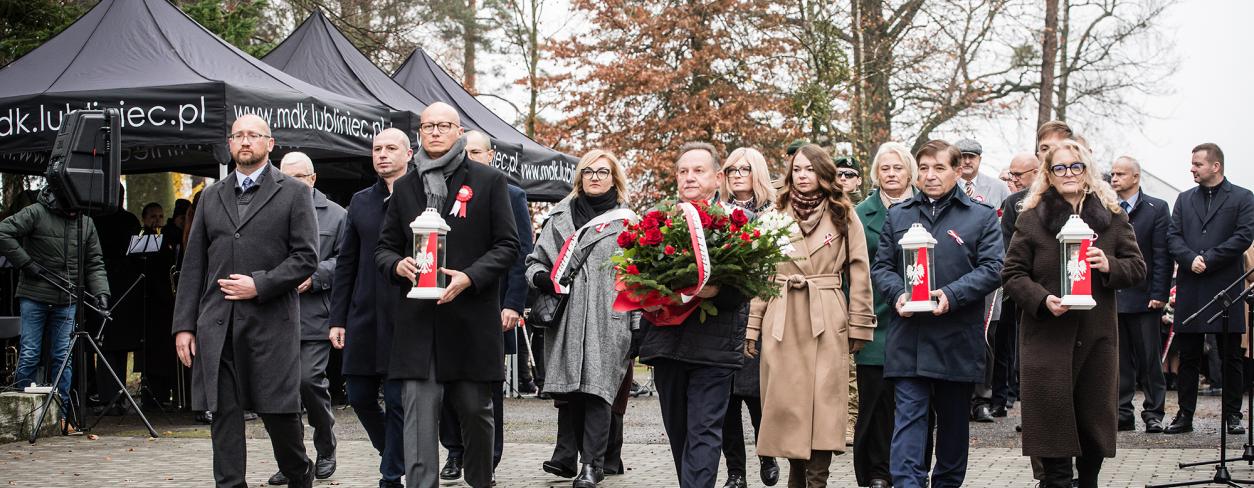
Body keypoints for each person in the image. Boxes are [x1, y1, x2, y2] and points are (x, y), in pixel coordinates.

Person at [375, 102, 519, 488]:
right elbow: (384, 247)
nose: (435, 132)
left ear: (458, 131)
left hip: (469, 319)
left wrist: (469, 278)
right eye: (427, 126)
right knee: (418, 419)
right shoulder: (406, 185)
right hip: (418, 326)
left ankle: (479, 480)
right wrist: (397, 265)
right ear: (419, 133)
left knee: (475, 411)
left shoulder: (488, 181)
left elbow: (507, 245)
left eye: (443, 125)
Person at [172, 114, 318, 487]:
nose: (245, 141)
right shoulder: (209, 197)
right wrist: (184, 326)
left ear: (270, 143)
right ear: (229, 144)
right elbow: (193, 266)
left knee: (280, 418)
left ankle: (300, 474)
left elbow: (306, 258)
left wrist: (260, 285)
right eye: (238, 135)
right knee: (224, 418)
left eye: (254, 135)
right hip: (217, 326)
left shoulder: (294, 192)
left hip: (271, 324)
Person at [1003, 139, 1146, 488]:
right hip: (1046, 339)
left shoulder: (1112, 217)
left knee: (1092, 427)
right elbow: (1012, 274)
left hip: (1096, 338)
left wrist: (1108, 264)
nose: (1068, 174)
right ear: (1048, 175)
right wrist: (1043, 300)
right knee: (1051, 430)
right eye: (1060, 168)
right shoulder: (1031, 218)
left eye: (1076, 166)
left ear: (1087, 171)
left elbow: (1137, 268)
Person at [869, 140, 1003, 488]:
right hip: (909, 338)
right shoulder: (899, 214)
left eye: (939, 168)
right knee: (909, 421)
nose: (930, 176)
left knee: (954, 428)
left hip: (956, 337)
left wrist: (951, 294)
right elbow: (882, 267)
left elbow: (993, 268)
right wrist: (898, 294)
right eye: (924, 168)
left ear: (958, 171)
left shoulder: (981, 216)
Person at [745, 144, 875, 488]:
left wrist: (860, 323)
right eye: (797, 169)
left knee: (825, 404)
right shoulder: (774, 213)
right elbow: (761, 273)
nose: (803, 176)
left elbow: (860, 271)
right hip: (782, 316)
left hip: (826, 315)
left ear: (823, 174)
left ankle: (818, 479)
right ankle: (796, 476)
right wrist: (753, 325)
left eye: (810, 169)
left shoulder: (844, 213)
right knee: (787, 405)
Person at [637, 141, 749, 488]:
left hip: (714, 347)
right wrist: (648, 297)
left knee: (703, 432)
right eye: (683, 171)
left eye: (698, 171)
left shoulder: (736, 222)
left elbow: (749, 282)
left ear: (718, 178)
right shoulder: (659, 223)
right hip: (667, 344)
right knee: (680, 434)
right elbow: (636, 275)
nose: (689, 177)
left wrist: (717, 291)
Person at [528, 149, 638, 488]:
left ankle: (593, 465)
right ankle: (570, 457)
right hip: (566, 320)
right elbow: (532, 264)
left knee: (598, 392)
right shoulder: (558, 217)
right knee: (571, 392)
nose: (594, 177)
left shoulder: (629, 223)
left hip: (610, 320)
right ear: (579, 177)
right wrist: (544, 279)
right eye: (588, 171)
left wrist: (637, 327)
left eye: (602, 172)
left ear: (614, 178)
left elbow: (637, 279)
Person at [439, 130, 533, 482]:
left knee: (485, 391)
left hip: (490, 306)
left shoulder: (511, 194)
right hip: (445, 304)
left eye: (477, 151)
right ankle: (454, 451)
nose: (470, 156)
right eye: (466, 151)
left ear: (491, 155)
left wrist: (513, 304)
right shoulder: (439, 189)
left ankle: (487, 460)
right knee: (449, 387)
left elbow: (521, 253)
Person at [329, 128, 412, 488]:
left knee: (396, 400)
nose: (382, 155)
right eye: (377, 149)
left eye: (391, 148)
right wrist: (338, 318)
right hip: (362, 314)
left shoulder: (422, 197)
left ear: (409, 154)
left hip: (405, 313)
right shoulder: (360, 201)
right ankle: (393, 452)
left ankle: (390, 476)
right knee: (360, 396)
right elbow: (345, 262)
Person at [259, 151, 345, 485]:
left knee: (309, 382)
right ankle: (292, 461)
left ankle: (326, 445)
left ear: (312, 178)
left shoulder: (337, 216)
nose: (289, 183)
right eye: (284, 176)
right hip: (274, 315)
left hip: (314, 316)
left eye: (297, 177)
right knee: (279, 395)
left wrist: (317, 274)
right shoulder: (268, 210)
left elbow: (347, 262)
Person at [1164, 142, 1254, 435]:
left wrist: (1210, 259)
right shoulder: (1184, 198)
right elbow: (1173, 236)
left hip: (1224, 283)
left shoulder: (1242, 197)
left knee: (1230, 354)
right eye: (1192, 164)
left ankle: (1232, 415)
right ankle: (1184, 415)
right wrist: (1190, 259)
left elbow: (1243, 236)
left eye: (1197, 164)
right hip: (1192, 284)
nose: (1192, 169)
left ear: (1215, 166)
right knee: (1189, 354)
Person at [0, 184, 110, 422]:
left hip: (67, 299)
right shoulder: (36, 212)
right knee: (30, 354)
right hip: (34, 295)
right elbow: (2, 232)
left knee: (63, 358)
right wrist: (26, 263)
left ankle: (59, 418)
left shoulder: (86, 223)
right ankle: (20, 417)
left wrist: (101, 293)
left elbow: (94, 262)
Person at [853, 142, 916, 488]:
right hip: (876, 317)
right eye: (885, 169)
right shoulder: (862, 214)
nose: (891, 174)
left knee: (910, 402)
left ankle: (908, 468)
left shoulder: (927, 209)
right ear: (876, 174)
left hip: (918, 317)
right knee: (874, 401)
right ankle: (875, 472)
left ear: (910, 172)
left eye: (897, 168)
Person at [717, 147, 779, 488]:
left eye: (744, 168)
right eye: (730, 170)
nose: (737, 174)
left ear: (757, 172)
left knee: (757, 396)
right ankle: (735, 473)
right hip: (724, 316)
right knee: (726, 401)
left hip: (761, 314)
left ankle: (766, 455)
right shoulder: (715, 213)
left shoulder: (775, 214)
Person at [1108, 156, 1172, 434]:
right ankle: (1123, 412)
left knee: (1149, 360)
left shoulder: (1156, 208)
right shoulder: (1107, 208)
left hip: (1146, 296)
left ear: (1136, 177)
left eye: (1120, 174)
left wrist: (1159, 293)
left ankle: (1154, 412)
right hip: (1115, 295)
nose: (1114, 178)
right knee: (1119, 360)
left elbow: (1161, 254)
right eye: (1112, 174)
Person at [951, 138, 1010, 423]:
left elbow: (1006, 230)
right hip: (956, 271)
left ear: (980, 158)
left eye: (972, 156)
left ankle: (982, 398)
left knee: (987, 336)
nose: (966, 161)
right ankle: (957, 398)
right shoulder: (948, 186)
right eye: (961, 156)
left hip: (987, 273)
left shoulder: (998, 189)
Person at [994, 152, 1042, 415]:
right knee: (1021, 348)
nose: (1012, 179)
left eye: (1017, 175)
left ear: (1036, 172)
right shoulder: (1013, 203)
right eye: (1010, 174)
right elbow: (1008, 244)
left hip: (1049, 284)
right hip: (1021, 286)